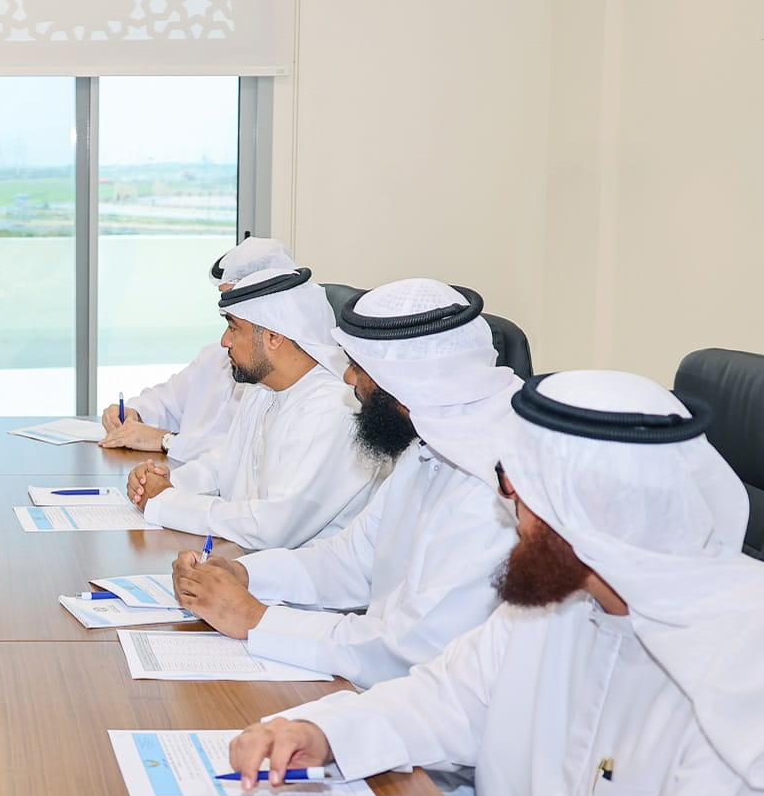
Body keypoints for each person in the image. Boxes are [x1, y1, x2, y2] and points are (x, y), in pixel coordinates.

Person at [219, 371, 764, 796]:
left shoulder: (744, 664)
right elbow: (446, 695)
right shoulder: (568, 593)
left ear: (578, 503)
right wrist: (319, 730)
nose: (510, 512)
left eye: (515, 488)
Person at [169, 278, 519, 688]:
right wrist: (242, 574)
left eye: (360, 367)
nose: (349, 380)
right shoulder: (426, 444)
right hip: (381, 696)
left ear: (406, 380)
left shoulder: (493, 486)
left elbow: (411, 648)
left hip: (428, 721)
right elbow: (350, 560)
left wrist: (255, 619)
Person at [127, 267, 379, 550]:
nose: (225, 341)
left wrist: (166, 501)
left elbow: (270, 526)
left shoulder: (331, 410)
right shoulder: (262, 389)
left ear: (273, 337)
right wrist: (163, 481)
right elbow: (223, 466)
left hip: (302, 589)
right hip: (246, 567)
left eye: (234, 328)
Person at [99, 236, 295, 459]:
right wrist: (132, 414)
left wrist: (166, 440)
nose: (226, 337)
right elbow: (167, 399)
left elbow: (236, 456)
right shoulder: (216, 356)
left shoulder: (285, 382)